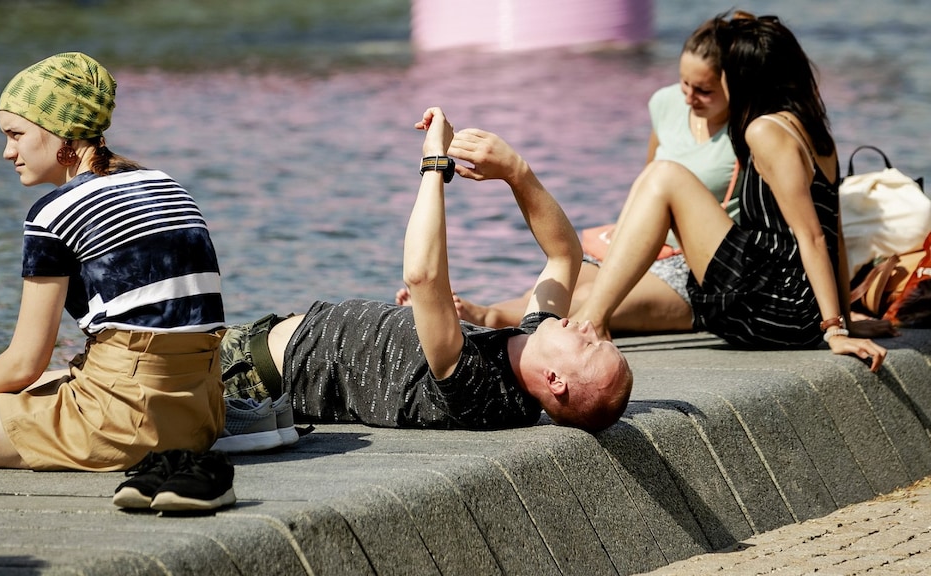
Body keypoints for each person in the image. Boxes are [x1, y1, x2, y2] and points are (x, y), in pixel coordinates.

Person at [219, 107, 632, 435]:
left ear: (556, 380)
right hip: (269, 338)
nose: (590, 328)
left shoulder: (485, 392)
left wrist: (435, 163)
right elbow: (565, 256)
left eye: (591, 346)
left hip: (251, 375)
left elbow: (421, 276)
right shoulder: (529, 342)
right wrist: (516, 172)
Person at [0, 52, 227, 471]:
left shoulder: (54, 212)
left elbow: (24, 361)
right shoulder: (165, 183)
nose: (8, 151)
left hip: (122, 423)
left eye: (16, 134)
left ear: (60, 131)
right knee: (34, 385)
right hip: (200, 413)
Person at [574, 13, 888, 370]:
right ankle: (591, 318)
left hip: (775, 305)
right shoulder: (813, 129)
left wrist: (834, 330)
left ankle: (593, 323)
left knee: (664, 175)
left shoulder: (765, 132)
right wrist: (844, 318)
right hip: (791, 303)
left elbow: (813, 236)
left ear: (746, 77)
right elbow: (837, 235)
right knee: (660, 177)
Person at [399, 17, 738, 334]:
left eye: (704, 90)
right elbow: (647, 181)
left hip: (694, 266)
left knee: (587, 303)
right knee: (556, 286)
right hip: (644, 245)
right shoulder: (666, 103)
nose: (690, 97)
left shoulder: (748, 129)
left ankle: (482, 317)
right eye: (684, 83)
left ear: (734, 86)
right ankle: (467, 314)